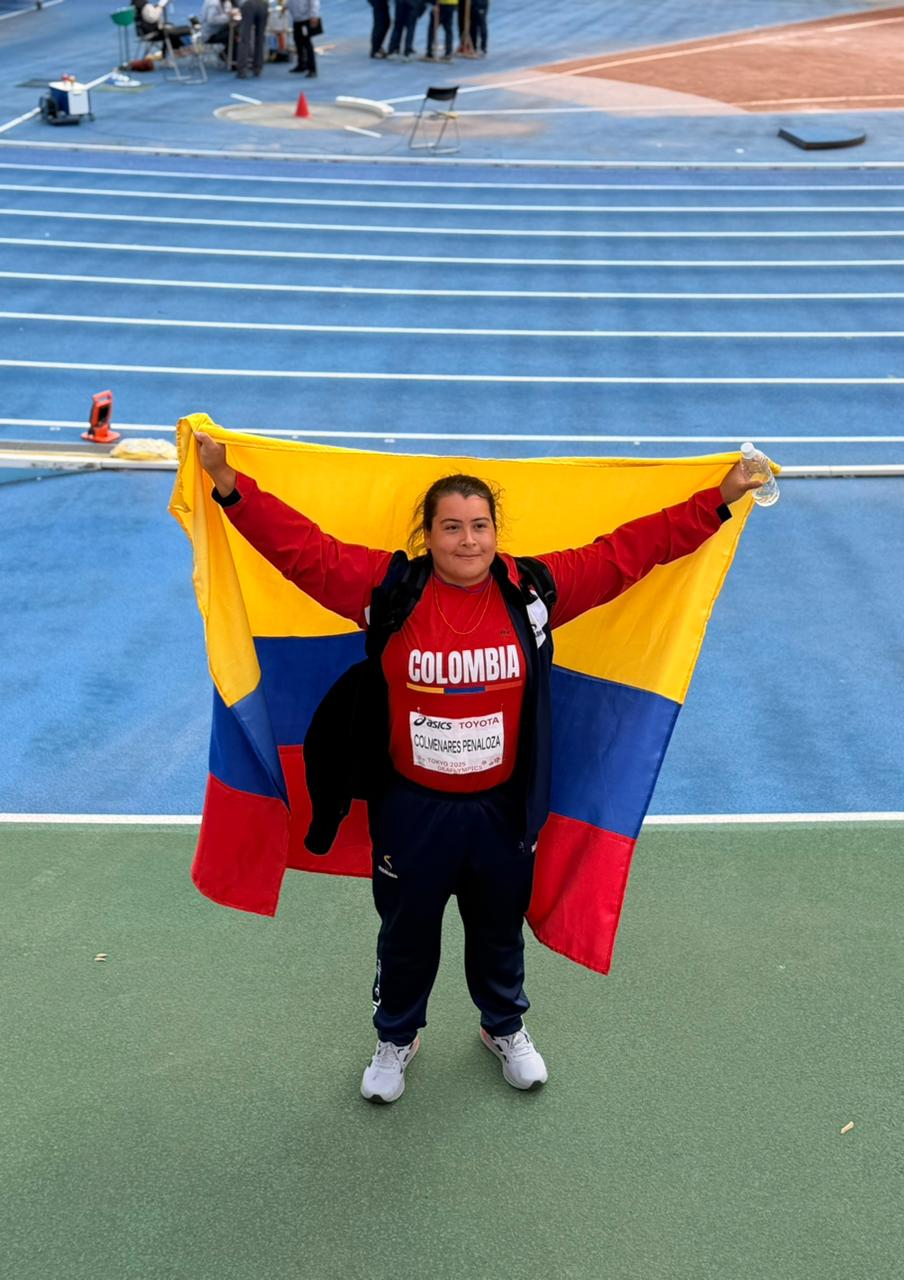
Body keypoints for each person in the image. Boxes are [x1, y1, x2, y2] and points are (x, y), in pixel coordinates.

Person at [192, 430, 761, 1103]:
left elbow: (629, 552)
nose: (469, 541)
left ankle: (504, 1027)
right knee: (406, 934)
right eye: (453, 527)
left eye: (480, 526)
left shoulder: (533, 593)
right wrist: (229, 484)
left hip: (502, 810)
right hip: (412, 810)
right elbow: (303, 550)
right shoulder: (388, 591)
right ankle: (396, 1037)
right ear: (428, 535)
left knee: (498, 930)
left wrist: (723, 496)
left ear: (496, 532)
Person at [287, 0, 321, 76]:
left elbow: (314, 2)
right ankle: (301, 64)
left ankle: (312, 69)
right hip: (296, 20)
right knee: (298, 42)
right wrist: (286, 6)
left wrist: (314, 15)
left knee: (307, 43)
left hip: (305, 19)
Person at [235, 0, 268, 77]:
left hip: (248, 4)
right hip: (262, 4)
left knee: (244, 38)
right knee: (260, 38)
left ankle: (242, 69)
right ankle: (258, 68)